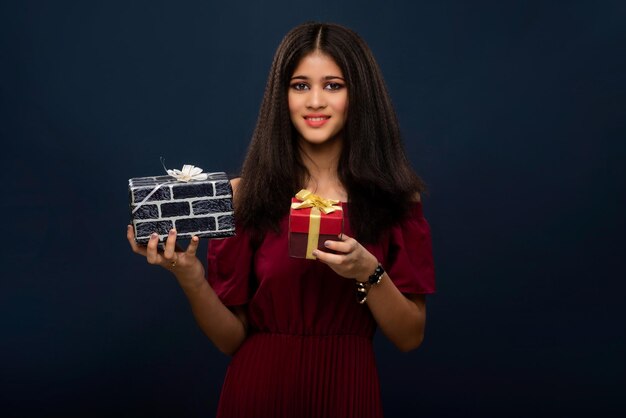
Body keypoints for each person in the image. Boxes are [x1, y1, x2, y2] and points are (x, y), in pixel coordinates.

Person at [127, 21, 435, 418]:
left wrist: (369, 271)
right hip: (258, 390)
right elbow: (230, 339)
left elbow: (410, 336)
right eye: (300, 85)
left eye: (334, 85)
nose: (315, 101)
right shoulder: (244, 194)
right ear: (282, 95)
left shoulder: (396, 198)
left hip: (347, 392)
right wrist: (189, 276)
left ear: (360, 95)